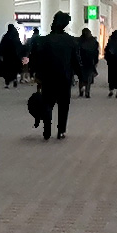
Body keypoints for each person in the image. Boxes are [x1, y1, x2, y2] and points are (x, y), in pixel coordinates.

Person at [30, 12, 81, 141]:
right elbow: (76, 60)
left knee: (48, 102)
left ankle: (47, 130)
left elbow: (36, 59)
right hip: (64, 77)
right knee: (63, 104)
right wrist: (80, 74)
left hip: (48, 77)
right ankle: (61, 131)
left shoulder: (44, 40)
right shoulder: (71, 41)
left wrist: (36, 73)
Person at [0, 24, 23, 89]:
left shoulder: (6, 36)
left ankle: (7, 83)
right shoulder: (16, 36)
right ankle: (14, 79)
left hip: (7, 57)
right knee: (14, 69)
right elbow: (19, 46)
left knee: (7, 69)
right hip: (15, 57)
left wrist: (1, 54)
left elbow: (2, 46)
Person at [78, 28, 99, 98]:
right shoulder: (93, 41)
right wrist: (96, 61)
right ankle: (87, 91)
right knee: (89, 77)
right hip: (90, 61)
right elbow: (96, 52)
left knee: (81, 77)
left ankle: (81, 90)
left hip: (81, 61)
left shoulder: (79, 41)